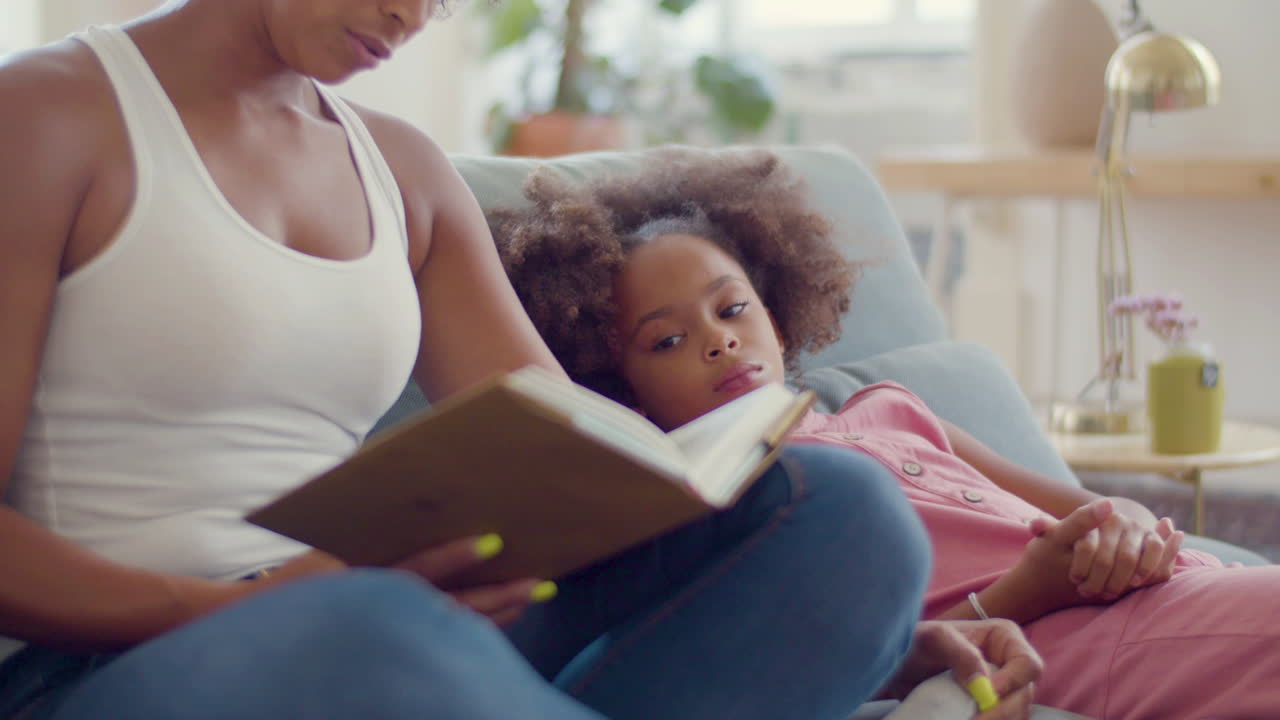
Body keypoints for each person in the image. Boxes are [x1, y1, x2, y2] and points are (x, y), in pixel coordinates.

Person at [0, 2, 1039, 719]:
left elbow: (604, 468)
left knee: (845, 508)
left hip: (408, 634)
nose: (412, 19)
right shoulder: (48, 116)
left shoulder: (404, 172)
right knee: (368, 623)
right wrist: (250, 604)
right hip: (119, 665)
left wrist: (877, 639)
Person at [491, 147, 1280, 720]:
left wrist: (1131, 528)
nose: (720, 341)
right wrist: (1029, 589)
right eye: (666, 341)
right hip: (1065, 641)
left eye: (733, 309)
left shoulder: (891, 406)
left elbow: (1092, 504)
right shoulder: (706, 503)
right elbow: (846, 658)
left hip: (1176, 586)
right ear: (614, 382)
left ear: (776, 309)